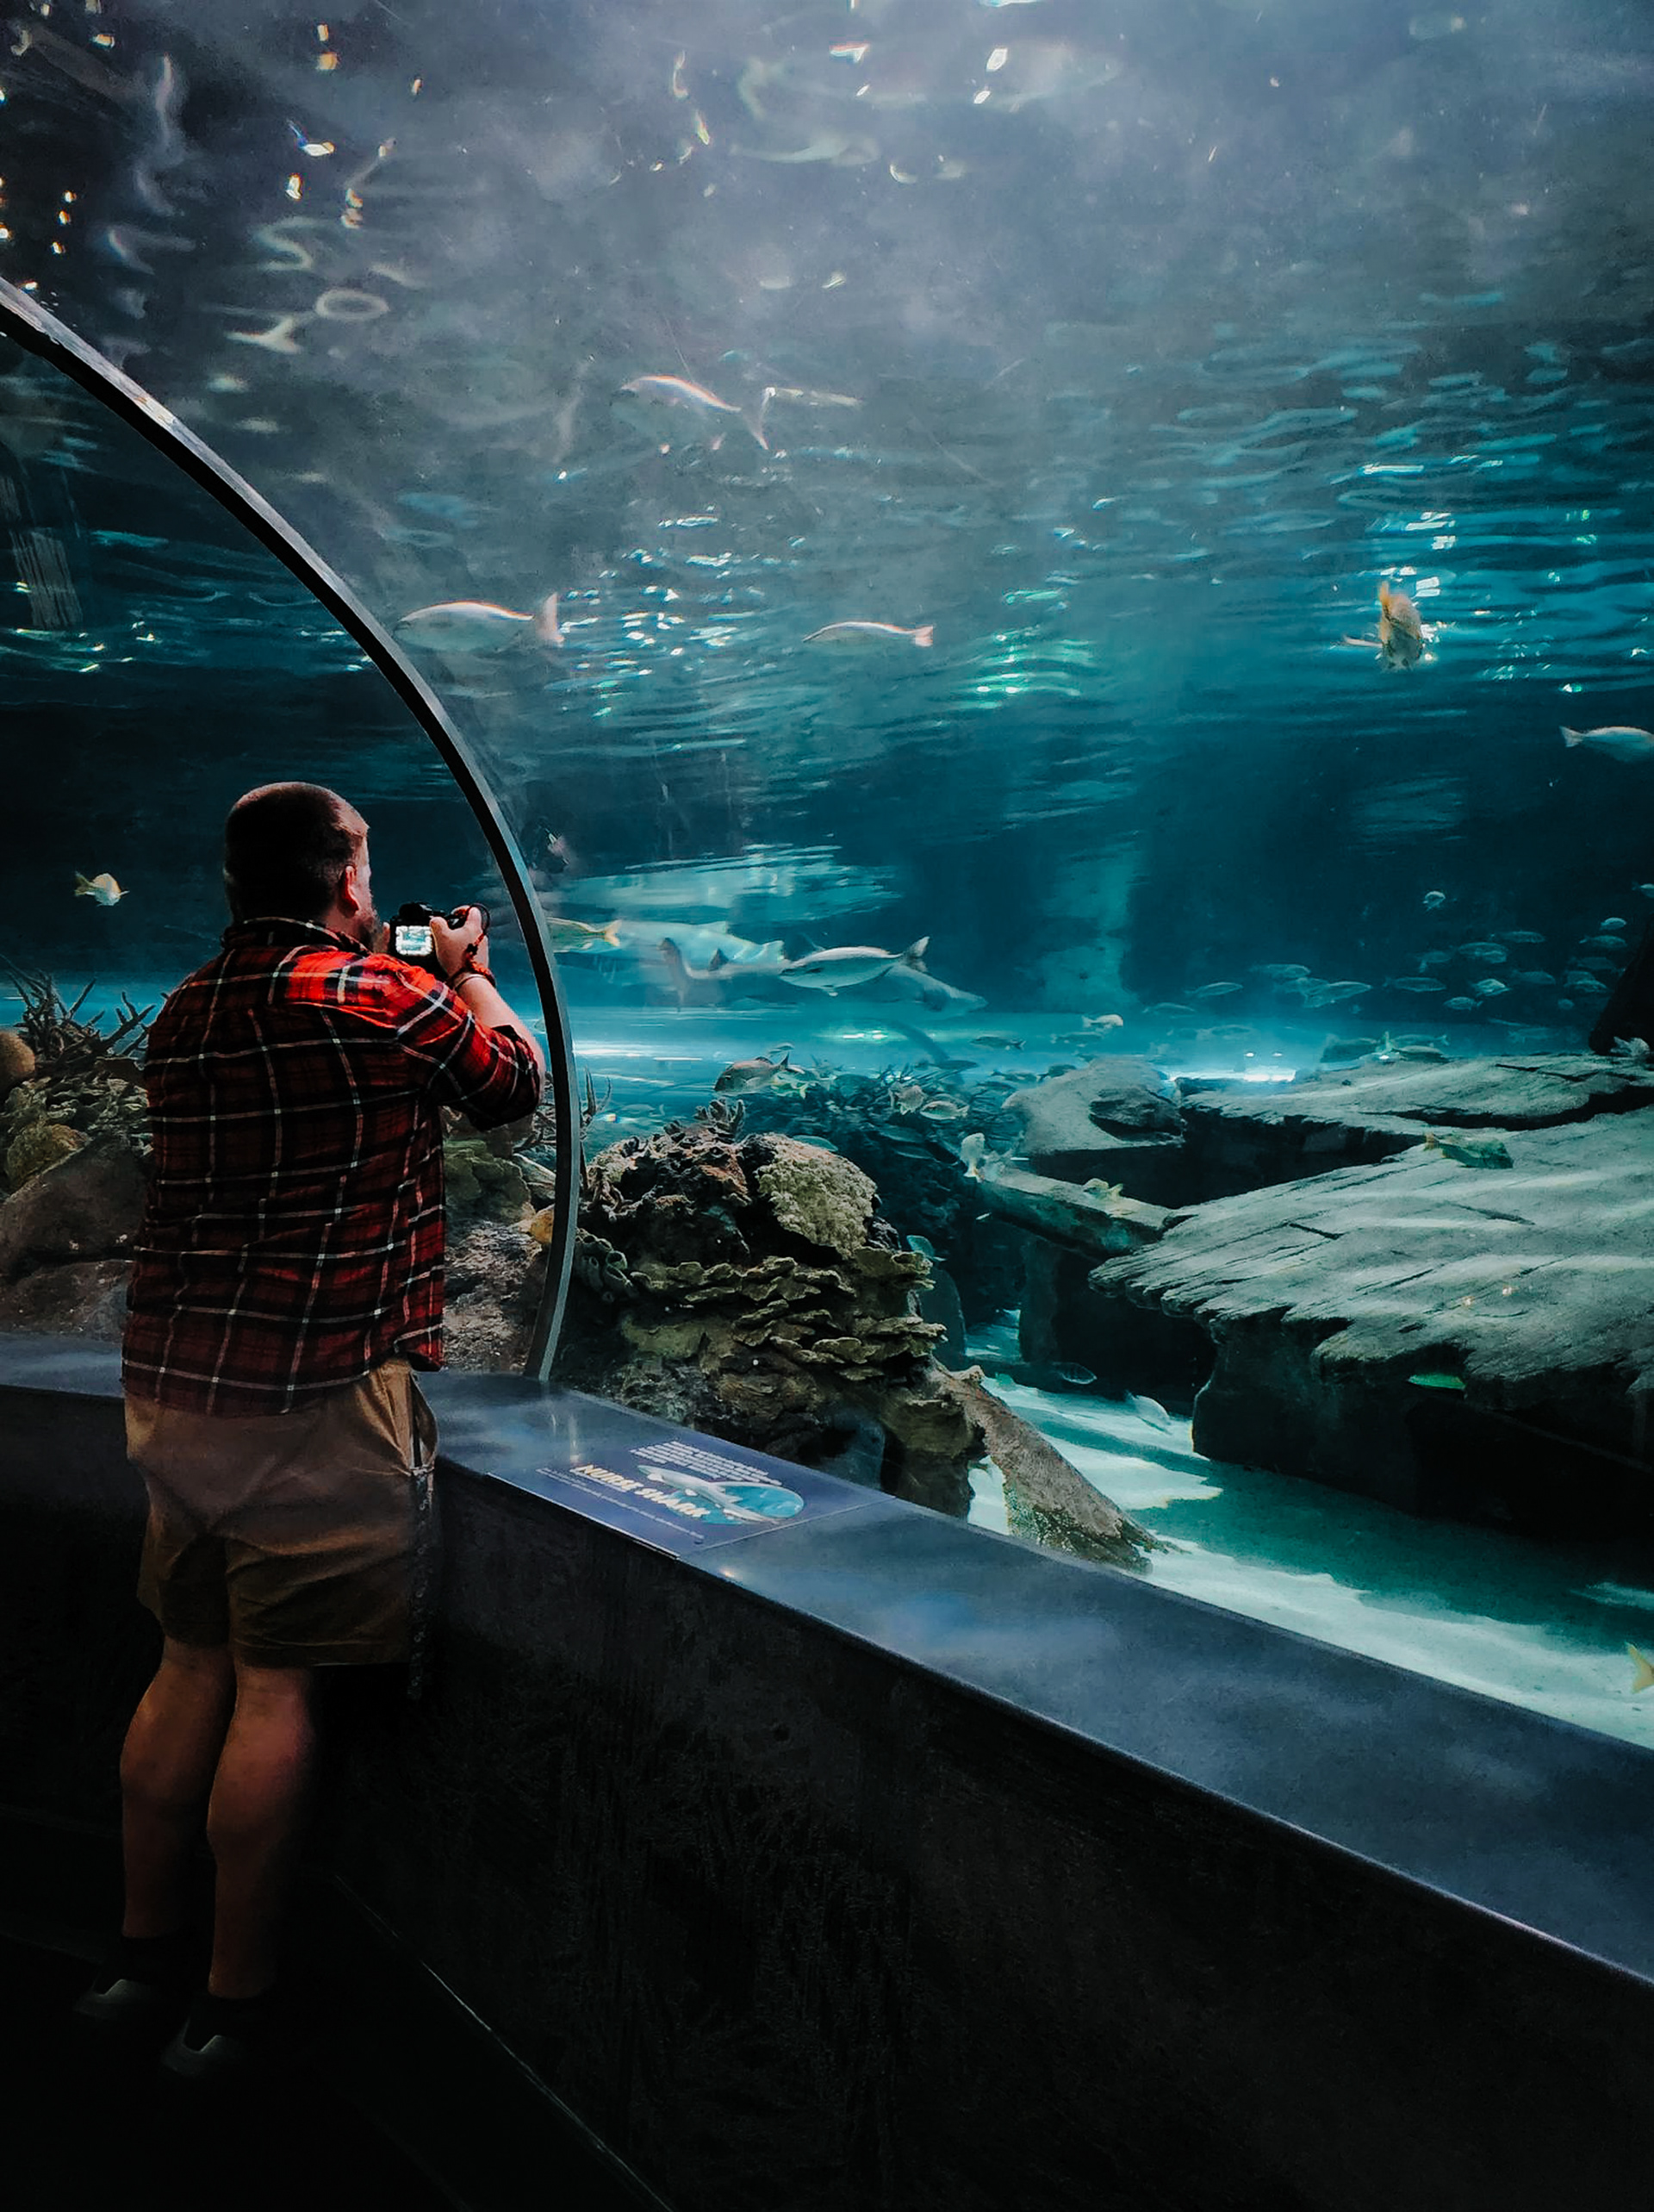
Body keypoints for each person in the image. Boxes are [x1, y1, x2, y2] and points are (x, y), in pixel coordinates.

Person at [74, 782, 543, 2081]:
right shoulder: (378, 996)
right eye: (366, 866)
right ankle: (234, 2008)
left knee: (187, 1662)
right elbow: (510, 1087)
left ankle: (137, 1960)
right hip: (314, 1391)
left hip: (175, 1387)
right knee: (274, 1685)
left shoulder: (187, 1007)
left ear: (236, 884)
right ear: (345, 880)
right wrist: (467, 973)